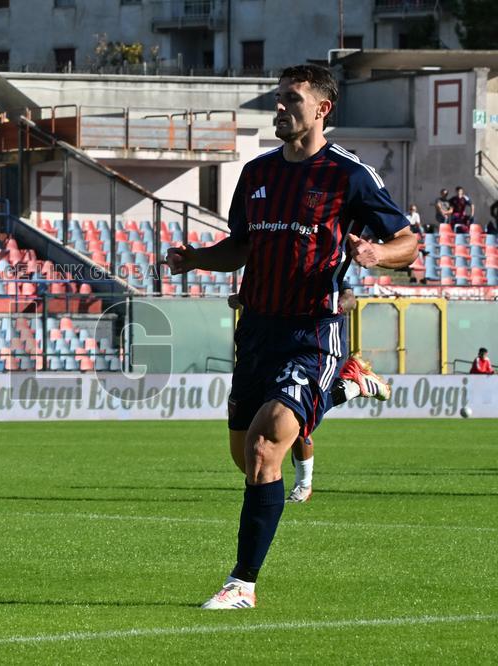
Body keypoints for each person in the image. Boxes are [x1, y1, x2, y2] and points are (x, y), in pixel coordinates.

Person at [168, 64, 417, 610]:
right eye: (278, 99)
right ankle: (348, 386)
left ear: (322, 109)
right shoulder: (256, 173)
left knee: (265, 449)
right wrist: (197, 259)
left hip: (313, 332)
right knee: (247, 458)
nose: (280, 107)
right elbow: (242, 247)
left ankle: (242, 584)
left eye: (292, 99)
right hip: (256, 331)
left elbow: (407, 241)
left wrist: (377, 253)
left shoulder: (349, 175)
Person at [227, 283, 392, 504]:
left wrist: (333, 307)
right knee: (247, 460)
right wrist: (246, 297)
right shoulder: (266, 267)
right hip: (257, 346)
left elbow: (349, 298)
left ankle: (303, 485)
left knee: (289, 415)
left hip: (306, 344)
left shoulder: (319, 265)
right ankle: (350, 386)